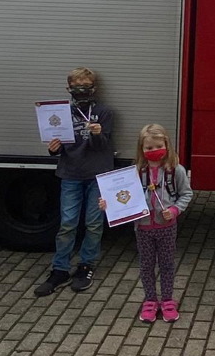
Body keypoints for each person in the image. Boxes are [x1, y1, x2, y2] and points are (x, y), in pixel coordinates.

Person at [99, 124, 193, 323]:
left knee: (167, 264)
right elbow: (120, 196)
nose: (153, 151)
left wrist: (175, 210)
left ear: (166, 145)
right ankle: (150, 300)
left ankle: (167, 300)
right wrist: (107, 203)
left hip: (166, 227)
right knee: (146, 265)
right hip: (142, 227)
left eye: (158, 146)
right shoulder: (135, 172)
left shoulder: (175, 170)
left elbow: (186, 194)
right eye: (149, 148)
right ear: (141, 149)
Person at [35, 67, 116, 297]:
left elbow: (105, 147)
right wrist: (53, 149)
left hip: (98, 175)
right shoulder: (61, 114)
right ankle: (60, 268)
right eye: (77, 86)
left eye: (87, 86)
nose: (82, 90)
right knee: (67, 223)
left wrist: (99, 134)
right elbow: (59, 147)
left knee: (93, 223)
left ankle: (86, 265)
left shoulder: (105, 112)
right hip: (70, 173)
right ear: (68, 88)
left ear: (95, 88)